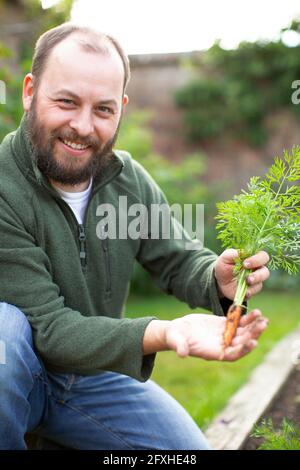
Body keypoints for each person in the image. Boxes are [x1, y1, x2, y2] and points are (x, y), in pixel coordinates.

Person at [0, 23, 270, 450]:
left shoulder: (126, 181)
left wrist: (215, 279)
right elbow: (50, 329)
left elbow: (178, 259)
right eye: (66, 102)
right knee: (4, 333)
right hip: (20, 377)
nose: (83, 127)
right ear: (30, 91)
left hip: (93, 379)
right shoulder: (3, 188)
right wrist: (162, 332)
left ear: (121, 108)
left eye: (103, 110)